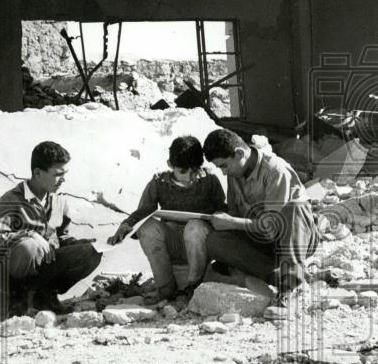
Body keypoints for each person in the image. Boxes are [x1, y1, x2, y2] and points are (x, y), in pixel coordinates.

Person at [201, 128, 318, 306]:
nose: (224, 173)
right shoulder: (235, 174)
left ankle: (290, 283)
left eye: (224, 166)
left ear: (239, 153)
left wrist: (232, 222)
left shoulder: (275, 170)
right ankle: (277, 277)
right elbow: (234, 214)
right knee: (214, 241)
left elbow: (271, 227)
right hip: (261, 241)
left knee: (295, 207)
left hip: (292, 239)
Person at [107, 135, 226, 301]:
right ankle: (165, 289)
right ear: (170, 165)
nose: (189, 177)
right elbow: (143, 211)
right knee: (147, 227)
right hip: (173, 243)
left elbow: (222, 210)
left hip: (201, 244)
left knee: (194, 227)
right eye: (183, 171)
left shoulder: (210, 180)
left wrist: (217, 216)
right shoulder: (159, 182)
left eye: (194, 170)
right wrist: (126, 225)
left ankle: (192, 288)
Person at [0, 141, 101, 315]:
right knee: (29, 246)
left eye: (65, 173)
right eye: (58, 174)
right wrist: (30, 235)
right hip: (17, 273)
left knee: (92, 252)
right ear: (38, 173)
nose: (63, 179)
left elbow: (62, 238)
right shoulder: (11, 199)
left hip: (47, 266)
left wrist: (79, 244)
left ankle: (46, 296)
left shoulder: (59, 201)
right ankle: (17, 301)